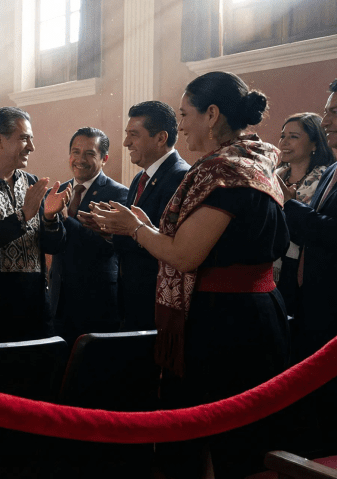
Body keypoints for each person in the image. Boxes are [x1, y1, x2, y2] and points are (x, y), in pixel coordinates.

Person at [93, 71, 289, 477]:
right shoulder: (258, 161)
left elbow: (184, 255)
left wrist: (135, 229)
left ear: (212, 114)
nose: (179, 125)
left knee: (226, 439)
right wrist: (145, 226)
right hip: (253, 310)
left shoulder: (225, 172)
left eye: (184, 114)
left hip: (228, 322)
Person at [282, 75, 337, 459]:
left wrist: (288, 206)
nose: (327, 119)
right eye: (325, 111)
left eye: (336, 111)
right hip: (315, 307)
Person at [0, 107, 69, 345]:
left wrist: (49, 217)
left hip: (35, 315)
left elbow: (54, 246)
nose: (31, 147)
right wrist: (23, 216)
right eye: (24, 138)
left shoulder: (32, 183)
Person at [110, 101, 190, 331]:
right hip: (135, 296)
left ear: (160, 138)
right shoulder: (140, 178)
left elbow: (169, 243)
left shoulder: (181, 177)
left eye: (133, 135)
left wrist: (125, 227)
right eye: (127, 135)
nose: (126, 143)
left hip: (158, 299)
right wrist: (108, 228)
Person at [49, 127, 127, 345]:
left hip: (97, 303)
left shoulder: (118, 195)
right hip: (58, 304)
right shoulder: (57, 193)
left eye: (90, 154)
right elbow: (49, 243)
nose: (80, 159)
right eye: (75, 152)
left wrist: (66, 219)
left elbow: (105, 248)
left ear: (104, 159)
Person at [273, 113, 335, 312]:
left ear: (315, 144)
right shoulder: (275, 176)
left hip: (303, 266)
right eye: (283, 136)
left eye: (294, 136)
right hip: (269, 262)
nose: (284, 142)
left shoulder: (327, 179)